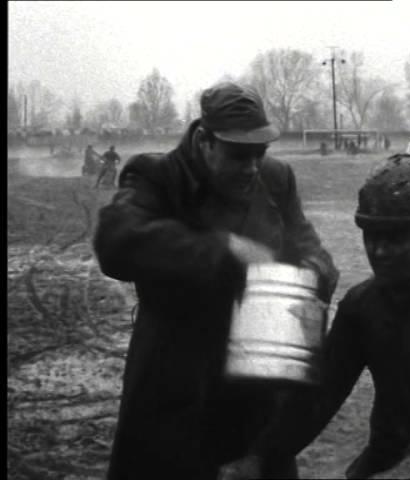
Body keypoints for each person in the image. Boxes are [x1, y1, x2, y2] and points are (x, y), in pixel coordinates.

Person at [93, 82, 339, 480]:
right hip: (174, 381)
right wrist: (222, 250)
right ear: (205, 140)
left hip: (255, 379)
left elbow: (308, 246)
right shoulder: (157, 176)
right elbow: (116, 242)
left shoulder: (275, 179)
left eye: (260, 153)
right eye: (240, 155)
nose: (253, 167)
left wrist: (314, 274)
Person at [221, 154, 410, 480]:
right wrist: (261, 456)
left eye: (395, 239)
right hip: (389, 457)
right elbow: (320, 397)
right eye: (372, 236)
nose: (379, 251)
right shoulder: (363, 305)